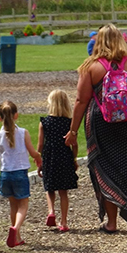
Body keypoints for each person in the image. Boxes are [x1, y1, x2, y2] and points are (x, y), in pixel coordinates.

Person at [65, 24, 127, 233]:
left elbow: (80, 101)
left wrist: (73, 130)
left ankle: (112, 223)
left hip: (101, 123)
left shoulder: (91, 67)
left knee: (105, 169)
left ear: (99, 41)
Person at [0, 100, 43, 248]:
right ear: (16, 116)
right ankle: (15, 229)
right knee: (23, 205)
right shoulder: (23, 133)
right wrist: (38, 158)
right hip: (20, 173)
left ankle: (17, 237)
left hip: (5, 174)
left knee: (13, 205)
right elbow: (33, 152)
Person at [37, 90, 79, 233]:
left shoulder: (44, 122)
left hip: (49, 156)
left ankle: (51, 212)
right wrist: (73, 159)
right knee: (63, 192)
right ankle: (64, 222)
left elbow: (40, 145)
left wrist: (40, 160)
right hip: (65, 157)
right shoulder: (69, 123)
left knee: (49, 188)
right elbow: (75, 145)